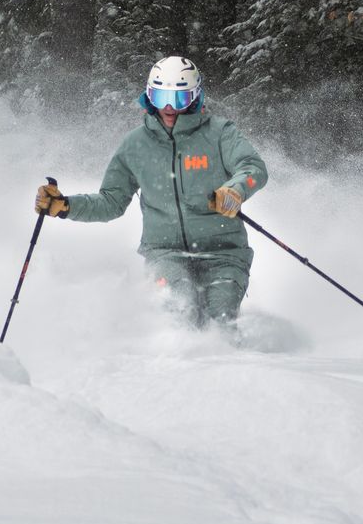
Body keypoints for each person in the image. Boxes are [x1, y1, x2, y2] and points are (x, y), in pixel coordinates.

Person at [35, 56, 269, 327]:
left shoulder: (220, 133)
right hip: (164, 253)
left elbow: (253, 168)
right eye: (160, 97)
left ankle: (237, 363)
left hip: (223, 254)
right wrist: (66, 206)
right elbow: (112, 200)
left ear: (194, 98)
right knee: (180, 312)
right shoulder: (136, 144)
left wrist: (235, 191)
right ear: (149, 96)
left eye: (179, 99)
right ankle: (171, 364)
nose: (169, 107)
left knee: (221, 319)